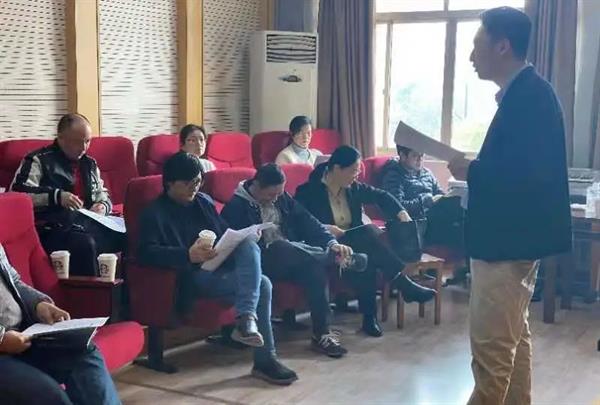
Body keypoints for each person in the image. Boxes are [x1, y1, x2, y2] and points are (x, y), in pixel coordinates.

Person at [447, 7, 571, 405]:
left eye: (477, 44)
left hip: (505, 244)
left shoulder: (529, 99)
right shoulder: (527, 94)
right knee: (513, 343)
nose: (471, 56)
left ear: (502, 46)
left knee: (492, 356)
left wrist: (471, 170)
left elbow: (524, 176)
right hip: (513, 241)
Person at [136, 152, 297, 385]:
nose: (195, 187)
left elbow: (224, 233)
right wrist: (187, 254)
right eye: (188, 183)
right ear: (169, 182)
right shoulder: (154, 213)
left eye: (198, 181)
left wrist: (243, 236)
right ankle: (256, 342)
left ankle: (253, 335)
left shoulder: (203, 202)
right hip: (189, 276)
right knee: (261, 283)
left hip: (217, 267)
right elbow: (145, 253)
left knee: (257, 266)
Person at [221, 163, 368, 358]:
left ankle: (322, 335)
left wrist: (331, 242)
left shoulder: (281, 198)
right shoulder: (236, 207)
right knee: (281, 246)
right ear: (256, 185)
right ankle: (336, 259)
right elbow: (232, 247)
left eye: (279, 194)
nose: (276, 199)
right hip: (260, 264)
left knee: (314, 269)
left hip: (292, 256)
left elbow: (308, 222)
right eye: (271, 194)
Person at [295, 146, 436, 337]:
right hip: (325, 244)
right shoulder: (308, 191)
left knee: (367, 254)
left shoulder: (353, 188)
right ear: (336, 169)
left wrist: (401, 212)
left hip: (352, 242)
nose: (357, 175)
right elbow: (298, 224)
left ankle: (371, 318)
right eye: (353, 171)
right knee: (368, 234)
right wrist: (325, 228)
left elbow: (382, 196)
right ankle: (401, 285)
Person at [0, 244, 120, 405]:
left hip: (22, 336)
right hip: (4, 347)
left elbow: (13, 281)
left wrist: (38, 304)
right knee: (49, 396)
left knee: (84, 352)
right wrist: (2, 339)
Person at [10, 113, 123, 277]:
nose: (84, 147)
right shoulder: (37, 159)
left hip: (85, 224)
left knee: (128, 236)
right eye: (78, 142)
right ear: (61, 138)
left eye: (88, 141)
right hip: (52, 227)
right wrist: (57, 197)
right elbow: (17, 194)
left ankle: (124, 293)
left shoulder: (89, 163)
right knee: (85, 244)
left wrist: (103, 207)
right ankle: (89, 293)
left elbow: (103, 195)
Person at [379, 145, 444, 220]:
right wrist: (428, 201)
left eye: (422, 155)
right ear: (403, 156)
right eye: (415, 155)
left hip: (432, 215)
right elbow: (397, 206)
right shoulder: (393, 176)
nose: (420, 159)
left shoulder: (427, 173)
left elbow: (440, 193)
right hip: (413, 221)